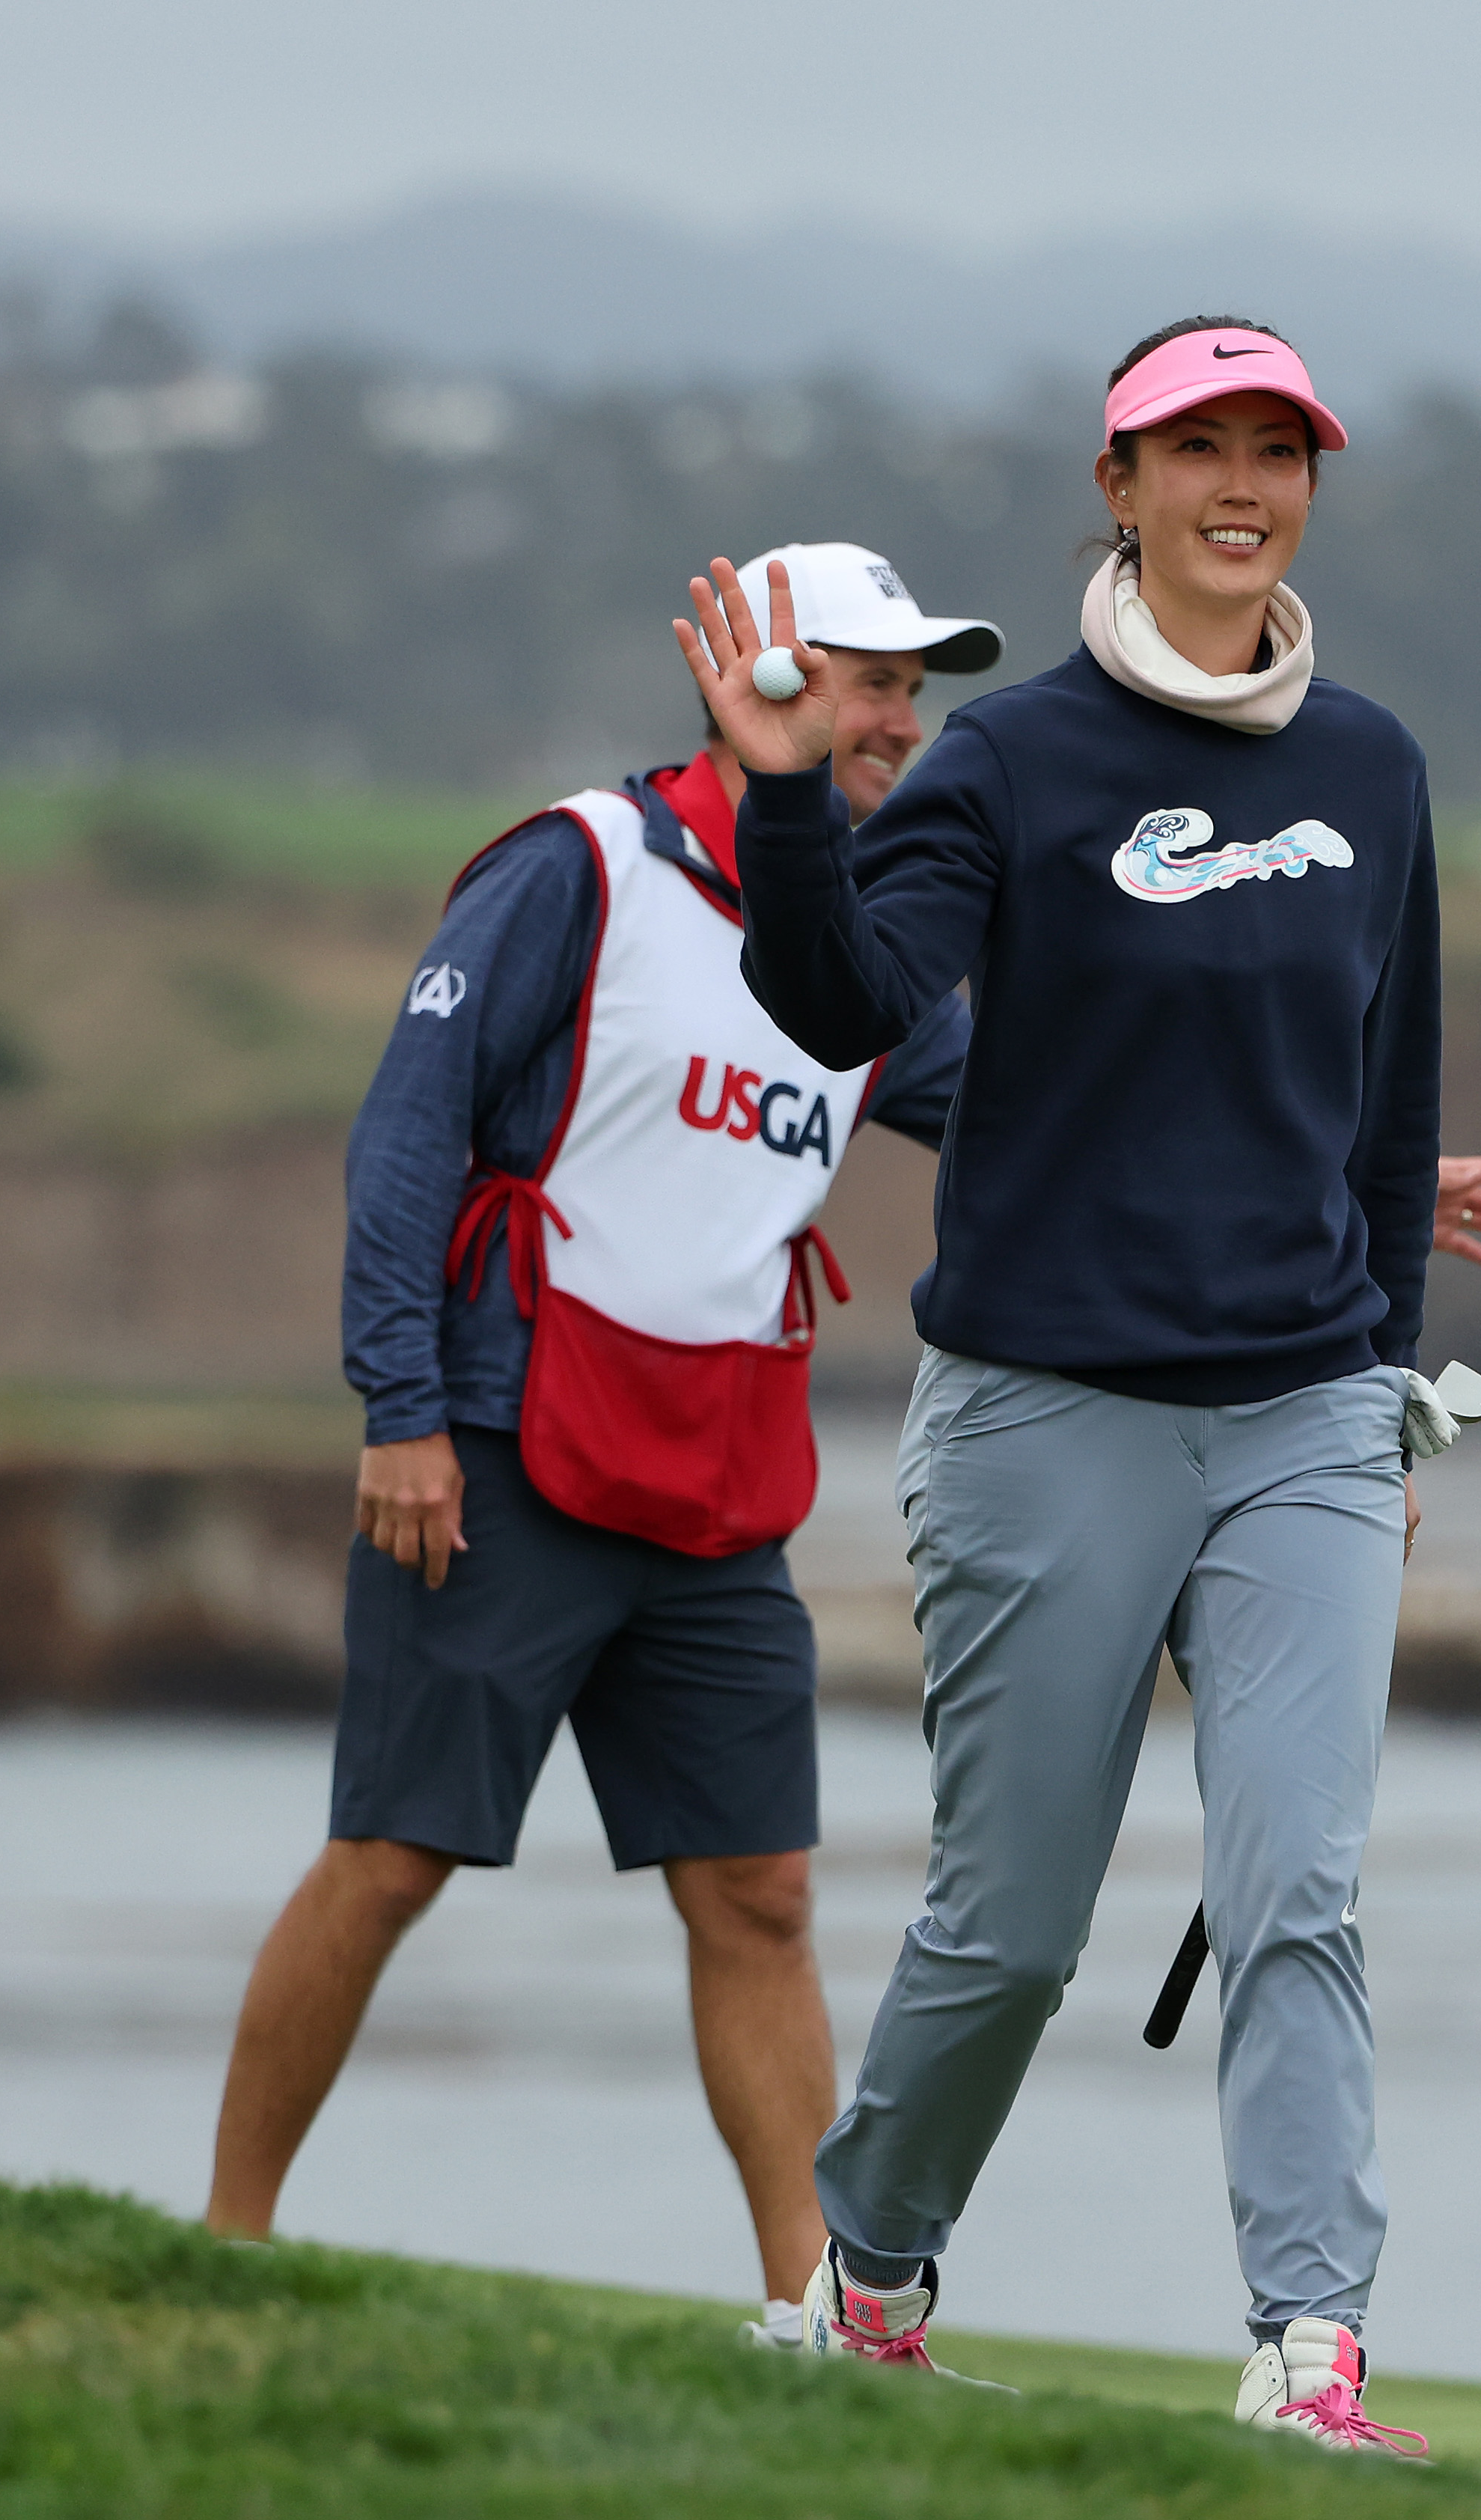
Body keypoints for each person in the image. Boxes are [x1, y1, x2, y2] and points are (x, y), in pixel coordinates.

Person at [677, 317, 1453, 2453]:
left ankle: (1312, 2355)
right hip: (1046, 1409)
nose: (1241, 481)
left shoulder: (1372, 769)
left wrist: (1384, 1394)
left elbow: (1390, 1122)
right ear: (1113, 487)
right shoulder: (1010, 763)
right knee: (1010, 1930)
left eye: (1276, 448)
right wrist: (781, 794)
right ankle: (874, 2272)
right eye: (1192, 445)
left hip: (1302, 1409)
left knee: (1299, 1888)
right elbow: (841, 997)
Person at [204, 542, 1001, 2342]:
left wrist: (1336, 1185)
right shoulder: (577, 866)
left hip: (717, 1488)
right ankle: (220, 2248)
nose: (903, 718)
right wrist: (398, 1409)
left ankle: (822, 2320)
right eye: (874, 681)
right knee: (394, 1854)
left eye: (913, 689)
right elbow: (408, 1136)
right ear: (765, 677)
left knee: (762, 1898)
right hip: (494, 1449)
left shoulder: (868, 948)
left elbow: (1049, 1124)